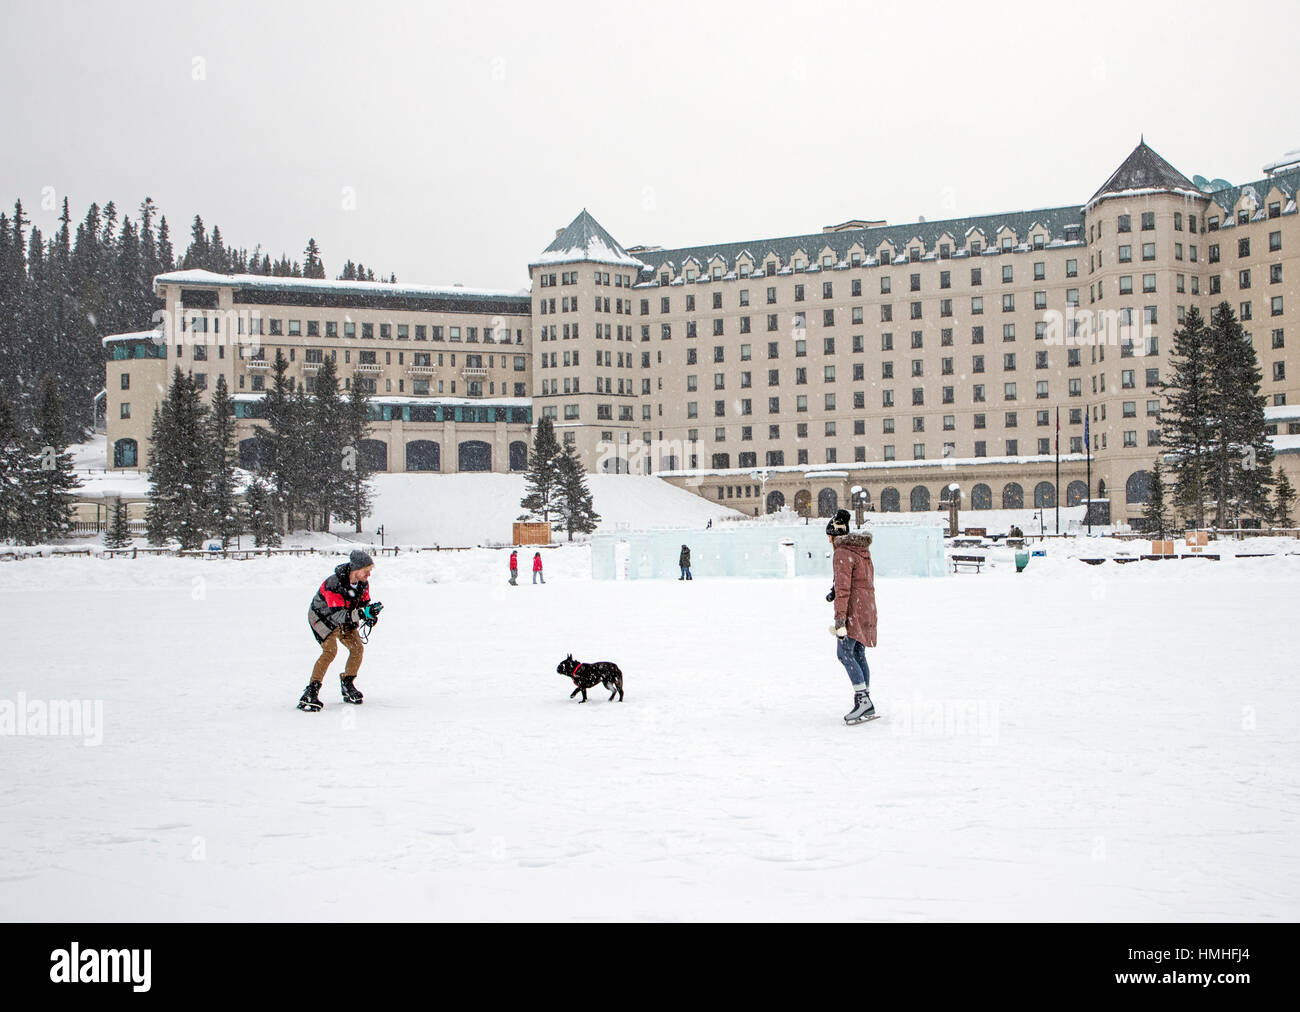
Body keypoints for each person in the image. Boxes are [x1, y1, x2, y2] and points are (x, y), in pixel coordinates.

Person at [299, 549, 382, 712]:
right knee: (330, 651)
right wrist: (363, 613)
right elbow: (338, 616)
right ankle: (311, 691)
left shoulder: (363, 584)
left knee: (357, 648)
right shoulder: (333, 584)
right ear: (356, 569)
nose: (369, 575)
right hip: (322, 617)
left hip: (346, 616)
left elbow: (364, 604)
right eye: (367, 571)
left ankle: (347, 683)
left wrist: (370, 614)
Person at [826, 509, 878, 725]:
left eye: (829, 536)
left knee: (844, 652)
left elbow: (845, 589)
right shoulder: (860, 550)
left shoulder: (841, 553)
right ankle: (865, 700)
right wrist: (834, 589)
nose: (828, 540)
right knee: (858, 651)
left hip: (853, 610)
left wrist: (840, 620)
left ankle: (863, 700)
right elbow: (859, 580)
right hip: (867, 606)